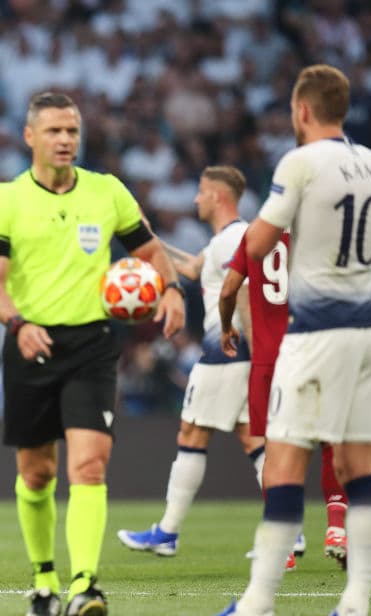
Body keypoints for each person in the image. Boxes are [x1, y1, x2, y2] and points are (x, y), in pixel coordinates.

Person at [190, 64, 371, 616]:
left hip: (312, 334)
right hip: (365, 334)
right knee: (360, 468)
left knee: (284, 462)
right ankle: (355, 608)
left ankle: (257, 606)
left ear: (303, 110)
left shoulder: (301, 163)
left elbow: (257, 244)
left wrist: (227, 299)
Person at [0, 91, 185, 616]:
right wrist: (17, 324)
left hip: (91, 345)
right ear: (30, 137)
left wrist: (173, 289)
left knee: (88, 465)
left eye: (71, 130)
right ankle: (44, 581)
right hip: (30, 342)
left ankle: (85, 585)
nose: (65, 140)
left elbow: (149, 249)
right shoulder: (6, 200)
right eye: (53, 131)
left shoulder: (107, 192)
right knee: (37, 473)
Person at [118, 166, 264, 558]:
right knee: (252, 438)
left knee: (191, 434)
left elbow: (247, 295)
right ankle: (289, 527)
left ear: (218, 196)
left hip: (226, 352)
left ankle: (167, 532)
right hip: (241, 354)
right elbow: (190, 268)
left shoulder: (230, 240)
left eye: (201, 192)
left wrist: (251, 347)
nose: (195, 199)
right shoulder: (231, 238)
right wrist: (145, 237)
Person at [219, 221, 350, 571]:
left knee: (276, 451)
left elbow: (229, 289)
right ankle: (336, 528)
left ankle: (284, 544)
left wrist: (225, 325)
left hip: (268, 360)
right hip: (314, 353)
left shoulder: (254, 235)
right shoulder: (321, 233)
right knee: (330, 442)